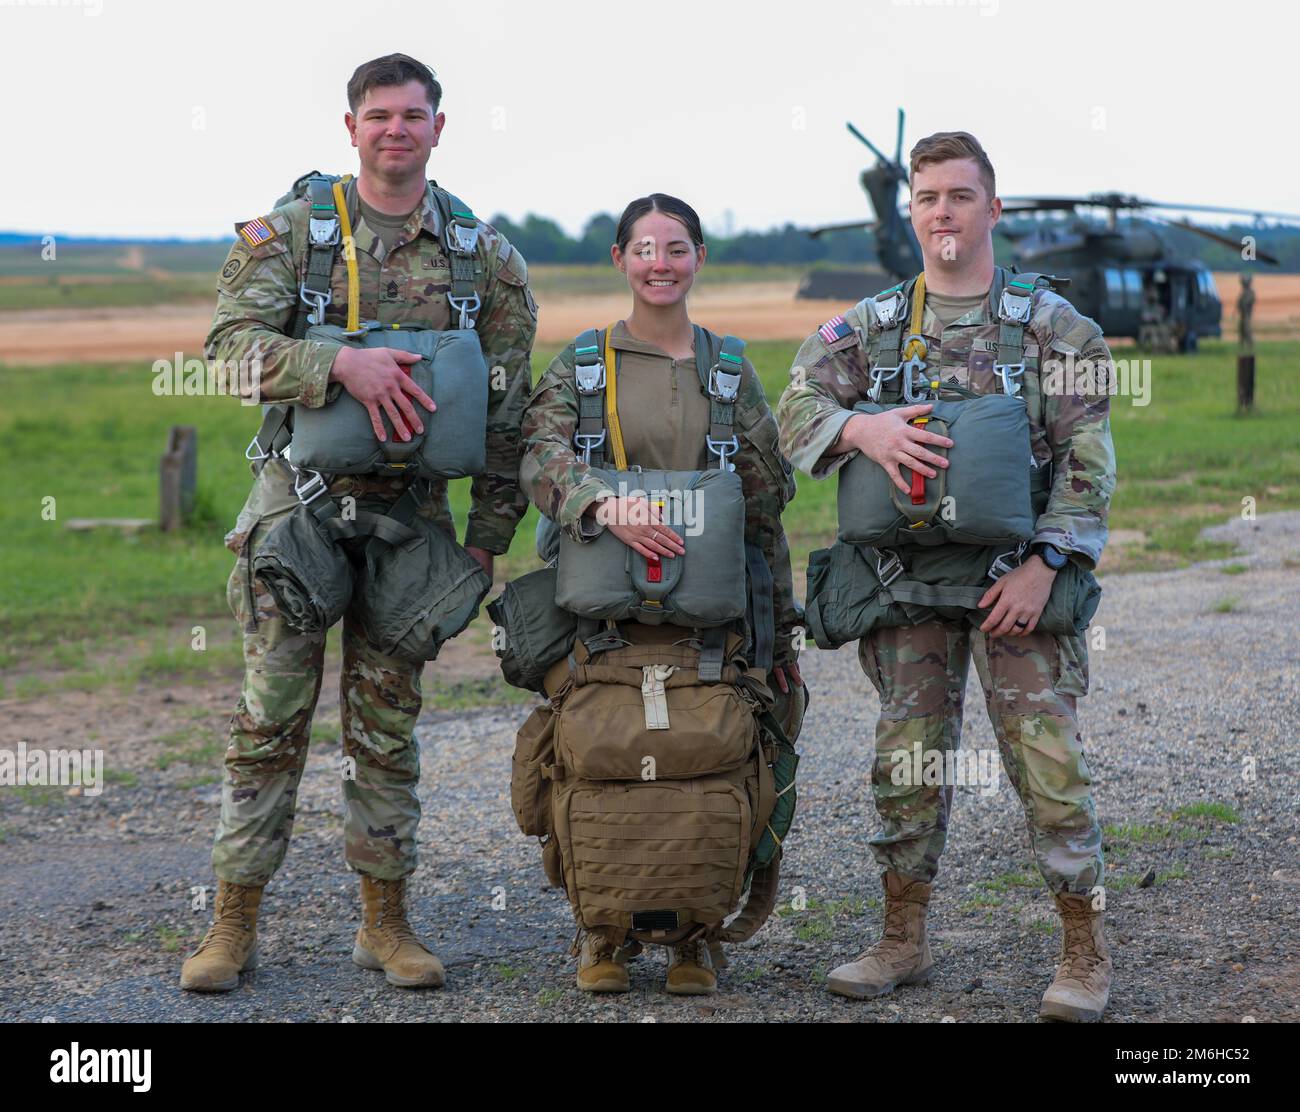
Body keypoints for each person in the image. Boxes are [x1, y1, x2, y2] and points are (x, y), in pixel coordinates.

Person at [180, 54, 537, 993]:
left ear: (437, 128)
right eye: (378, 115)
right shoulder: (292, 236)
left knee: (387, 729)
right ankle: (232, 924)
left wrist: (486, 541)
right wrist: (337, 367)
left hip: (411, 527)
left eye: (412, 116)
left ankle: (385, 924)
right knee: (269, 723)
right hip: (297, 512)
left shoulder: (484, 258)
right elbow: (225, 354)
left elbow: (510, 413)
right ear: (351, 129)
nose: (395, 130)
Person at [778, 132, 1117, 1022]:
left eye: (960, 196)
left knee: (1047, 765)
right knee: (907, 762)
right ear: (913, 210)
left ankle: (1083, 951)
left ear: (992, 208)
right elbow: (796, 405)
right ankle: (903, 938)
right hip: (907, 584)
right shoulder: (873, 327)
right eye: (928, 198)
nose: (943, 214)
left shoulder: (1056, 327)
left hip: (1018, 582)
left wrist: (1049, 564)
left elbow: (1089, 461)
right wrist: (864, 431)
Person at [519, 194, 802, 994]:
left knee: (714, 768)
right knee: (593, 765)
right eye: (643, 248)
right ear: (619, 260)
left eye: (676, 248)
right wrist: (599, 502)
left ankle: (696, 936)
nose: (660, 263)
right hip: (603, 625)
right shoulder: (581, 366)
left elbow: (763, 513)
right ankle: (600, 933)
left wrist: (779, 637)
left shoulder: (728, 371)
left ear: (698, 258)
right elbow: (536, 455)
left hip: (710, 628)